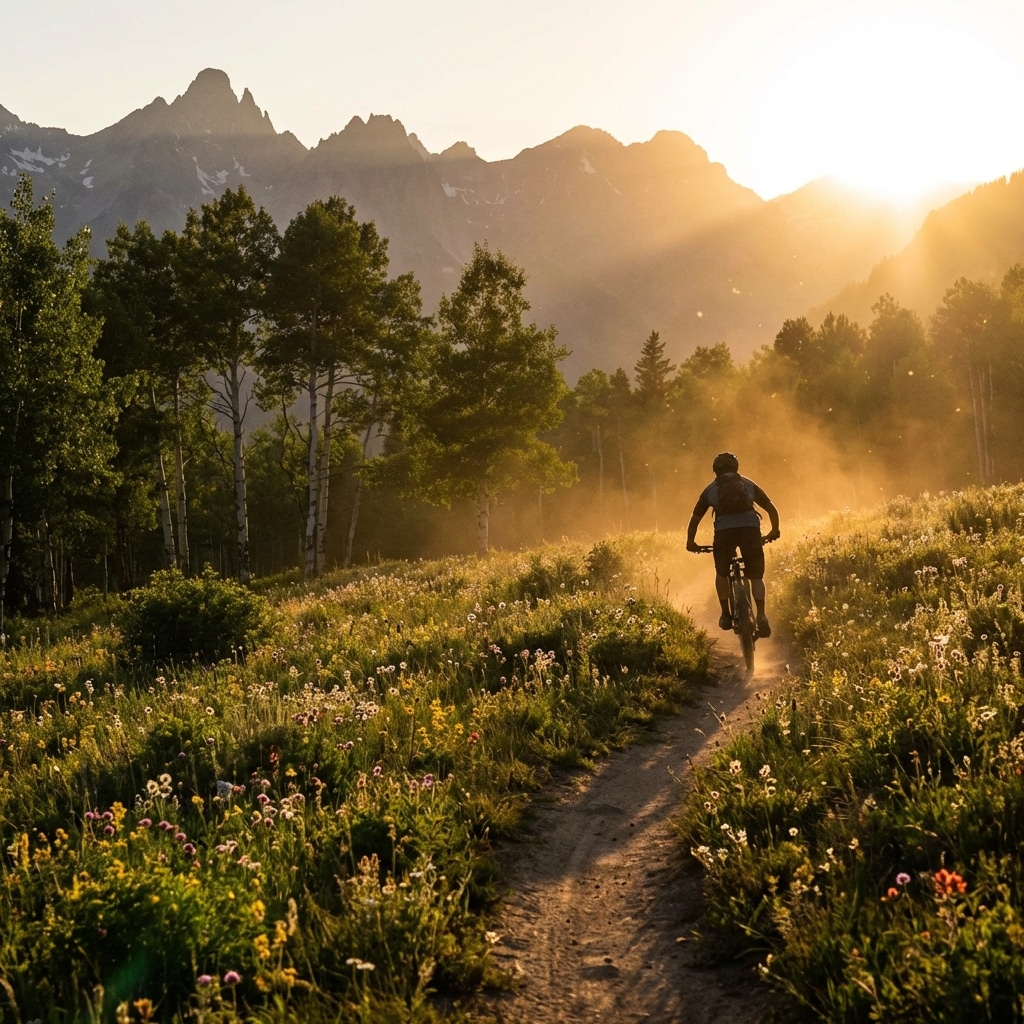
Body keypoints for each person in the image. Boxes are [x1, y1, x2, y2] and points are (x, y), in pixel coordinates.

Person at [686, 452, 780, 635]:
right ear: (736, 467)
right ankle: (761, 615)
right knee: (756, 576)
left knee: (721, 573)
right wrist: (774, 531)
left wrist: (691, 542)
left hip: (724, 533)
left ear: (715, 471)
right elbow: (770, 507)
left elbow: (695, 519)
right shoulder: (748, 484)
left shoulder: (710, 489)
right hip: (750, 530)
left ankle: (725, 614)